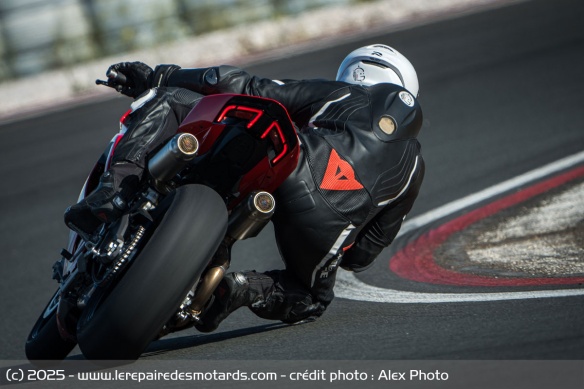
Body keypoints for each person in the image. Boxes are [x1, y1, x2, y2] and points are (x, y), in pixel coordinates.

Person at [64, 44, 425, 332]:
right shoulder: (415, 168)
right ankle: (238, 288)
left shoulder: (343, 93)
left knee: (171, 99)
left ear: (357, 74)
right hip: (328, 228)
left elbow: (241, 84)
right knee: (310, 298)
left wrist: (158, 76)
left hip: (295, 162)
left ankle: (116, 189)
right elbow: (360, 257)